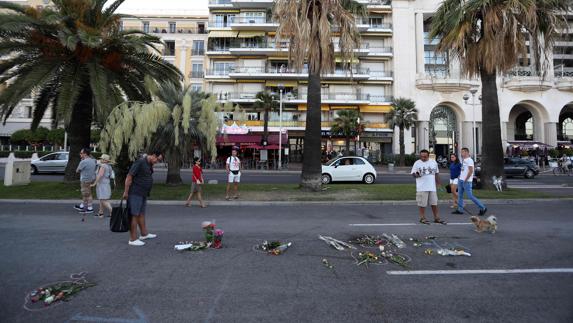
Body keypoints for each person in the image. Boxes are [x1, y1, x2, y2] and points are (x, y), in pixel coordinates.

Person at [123, 150, 163, 246]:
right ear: (153, 155)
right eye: (157, 159)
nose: (157, 162)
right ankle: (132, 239)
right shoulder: (140, 162)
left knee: (141, 214)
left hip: (143, 193)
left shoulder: (148, 164)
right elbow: (129, 176)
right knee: (134, 215)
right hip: (135, 192)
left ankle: (144, 234)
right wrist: (126, 192)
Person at [411, 149, 446, 225]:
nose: (423, 158)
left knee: (434, 203)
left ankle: (436, 218)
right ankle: (422, 218)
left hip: (432, 187)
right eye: (421, 156)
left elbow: (436, 174)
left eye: (425, 157)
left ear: (428, 155)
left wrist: (439, 184)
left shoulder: (433, 162)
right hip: (422, 187)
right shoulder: (417, 163)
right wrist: (416, 175)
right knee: (422, 204)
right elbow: (413, 174)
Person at [452, 147, 487, 216]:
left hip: (467, 181)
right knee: (460, 196)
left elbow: (471, 171)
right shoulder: (463, 160)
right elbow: (463, 170)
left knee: (470, 196)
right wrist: (460, 176)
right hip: (461, 180)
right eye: (461, 152)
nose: (461, 153)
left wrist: (465, 179)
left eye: (462, 152)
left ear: (466, 152)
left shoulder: (470, 160)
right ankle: (460, 210)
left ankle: (483, 208)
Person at [74, 148, 97, 216]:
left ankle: (89, 208)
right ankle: (83, 206)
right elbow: (94, 159)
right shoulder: (93, 160)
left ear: (85, 154)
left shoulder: (83, 162)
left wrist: (81, 162)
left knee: (86, 194)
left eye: (81, 153)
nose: (80, 154)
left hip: (85, 180)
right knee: (88, 193)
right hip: (92, 179)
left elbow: (77, 170)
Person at [91, 154, 113, 218]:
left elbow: (99, 176)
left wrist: (94, 183)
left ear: (105, 160)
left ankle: (112, 211)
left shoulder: (103, 166)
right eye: (101, 159)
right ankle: (101, 213)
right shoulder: (109, 166)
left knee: (103, 200)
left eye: (102, 159)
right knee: (102, 199)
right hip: (106, 184)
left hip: (102, 184)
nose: (101, 160)